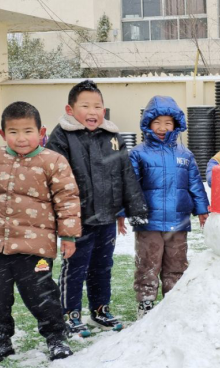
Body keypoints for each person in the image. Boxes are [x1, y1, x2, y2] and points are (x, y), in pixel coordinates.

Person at [46, 80, 148, 336]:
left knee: (103, 266)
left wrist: (135, 208)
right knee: (75, 267)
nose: (93, 112)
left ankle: (100, 309)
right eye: (85, 106)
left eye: (98, 106)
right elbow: (53, 179)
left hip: (106, 217)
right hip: (77, 219)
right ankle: (70, 313)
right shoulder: (61, 137)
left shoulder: (112, 137)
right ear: (70, 110)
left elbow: (125, 173)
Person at [0, 102, 81, 363]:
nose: (21, 138)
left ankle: (56, 337)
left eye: (28, 131)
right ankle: (0, 341)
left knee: (41, 295)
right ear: (3, 134)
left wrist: (69, 236)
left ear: (41, 132)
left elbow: (68, 199)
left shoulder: (53, 161)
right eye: (13, 132)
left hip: (34, 248)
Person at [121, 96, 209, 319]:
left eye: (168, 123)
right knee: (148, 264)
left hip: (178, 223)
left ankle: (173, 301)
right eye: (157, 123)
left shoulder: (185, 155)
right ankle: (146, 304)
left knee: (177, 264)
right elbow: (129, 187)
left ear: (176, 125)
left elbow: (195, 184)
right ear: (148, 124)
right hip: (148, 223)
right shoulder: (138, 153)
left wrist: (202, 210)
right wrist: (123, 213)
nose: (162, 128)